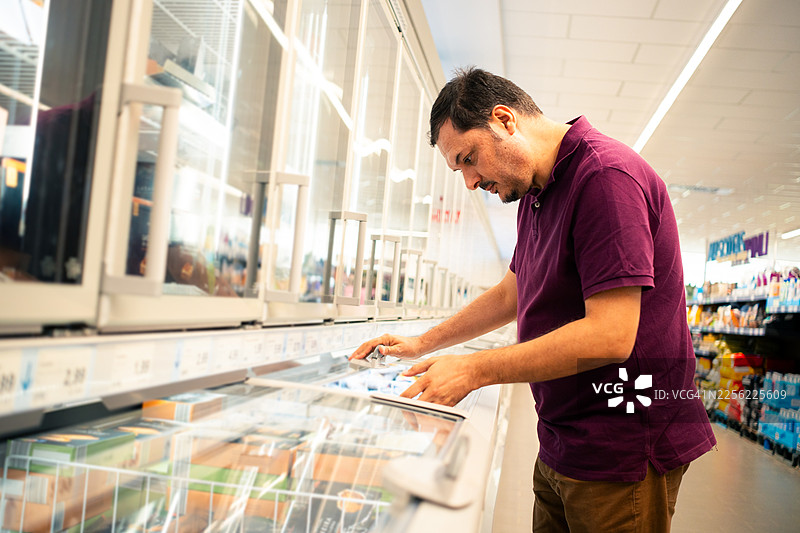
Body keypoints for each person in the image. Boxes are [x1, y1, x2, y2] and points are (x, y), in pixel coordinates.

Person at [350, 67, 716, 532]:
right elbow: (512, 291)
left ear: (504, 121)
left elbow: (610, 335)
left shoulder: (606, 178)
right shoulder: (536, 192)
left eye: (468, 159)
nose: (468, 181)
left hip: (620, 444)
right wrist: (423, 343)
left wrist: (474, 369)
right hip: (564, 435)